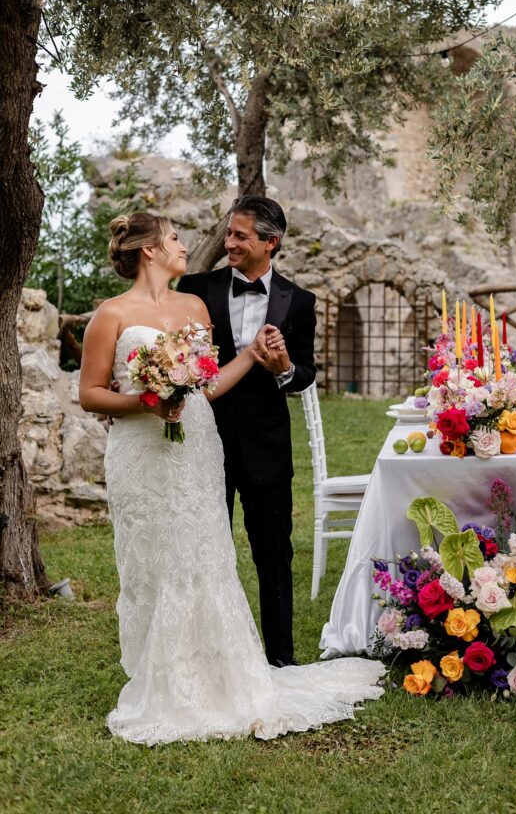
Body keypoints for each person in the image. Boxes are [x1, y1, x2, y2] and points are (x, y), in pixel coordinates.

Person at [79, 212, 383, 745]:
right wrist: (146, 402)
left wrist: (252, 356)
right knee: (151, 557)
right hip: (142, 452)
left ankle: (222, 668)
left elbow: (207, 386)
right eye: (174, 238)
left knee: (205, 552)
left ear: (272, 242)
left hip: (197, 442)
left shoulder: (193, 307)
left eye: (241, 235)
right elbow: (90, 393)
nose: (191, 244)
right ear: (149, 250)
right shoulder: (112, 314)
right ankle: (163, 671)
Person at [176, 196, 314, 667]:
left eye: (240, 236)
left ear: (270, 243)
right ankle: (197, 659)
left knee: (273, 555)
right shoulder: (195, 288)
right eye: (229, 234)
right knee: (199, 550)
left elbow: (305, 373)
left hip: (266, 446)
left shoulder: (300, 301)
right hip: (201, 438)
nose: (228, 243)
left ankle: (281, 658)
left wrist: (283, 368)